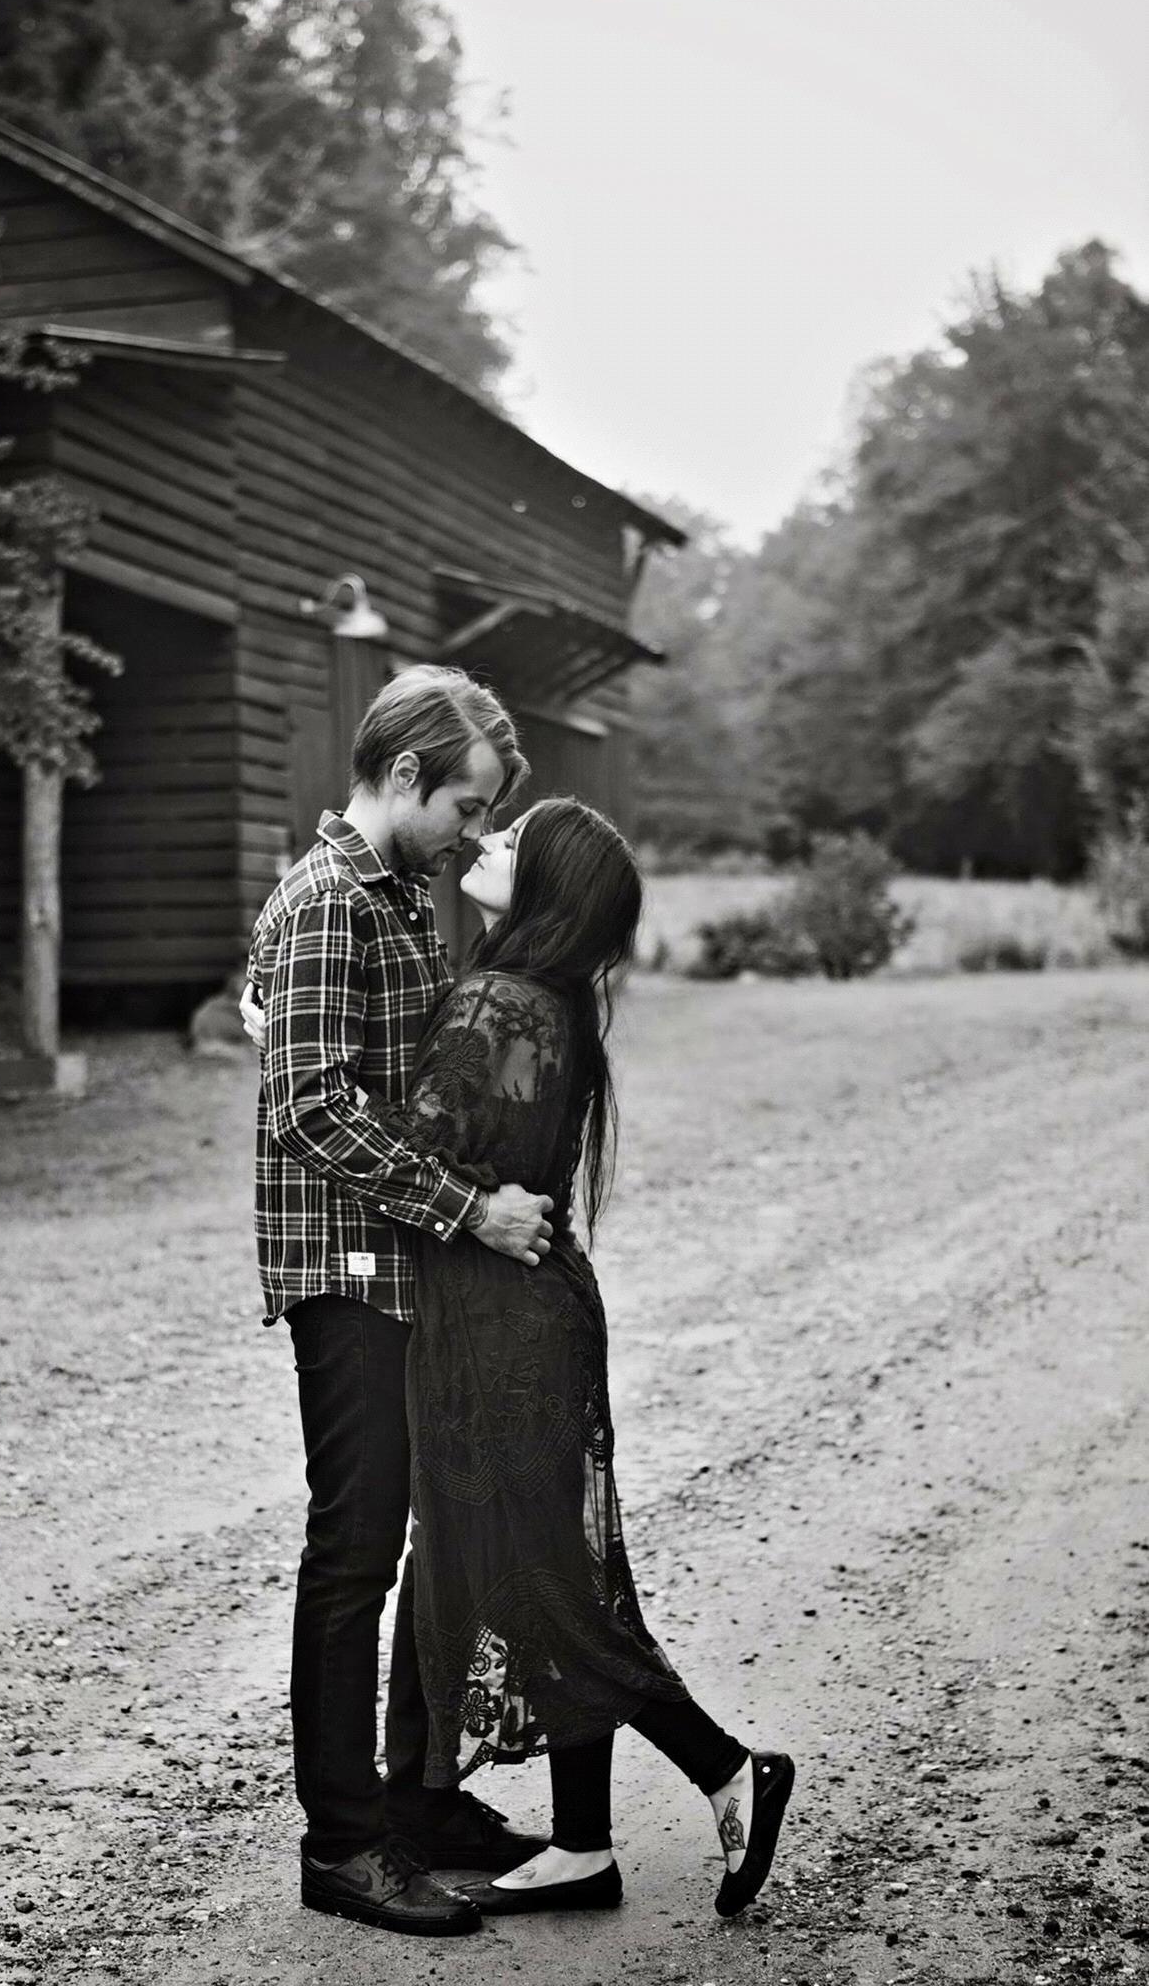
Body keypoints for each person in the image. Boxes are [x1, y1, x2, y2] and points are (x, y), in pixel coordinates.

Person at [372, 795, 795, 1918]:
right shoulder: (545, 998)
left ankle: (725, 1767)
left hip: (499, 1324)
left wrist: (293, 1047)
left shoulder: (498, 1000)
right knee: (553, 1563)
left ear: (548, 887)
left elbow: (407, 1156)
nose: (488, 842)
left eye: (515, 841)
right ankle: (580, 1845)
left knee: (544, 1582)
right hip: (527, 1311)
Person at [245, 666, 559, 1940]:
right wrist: (470, 1209)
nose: (475, 836)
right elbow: (311, 1107)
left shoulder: (386, 895)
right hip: (348, 1271)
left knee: (435, 1541)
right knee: (357, 1546)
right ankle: (341, 1843)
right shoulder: (330, 897)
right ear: (408, 775)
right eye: (467, 808)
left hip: (403, 1262)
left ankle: (416, 1802)